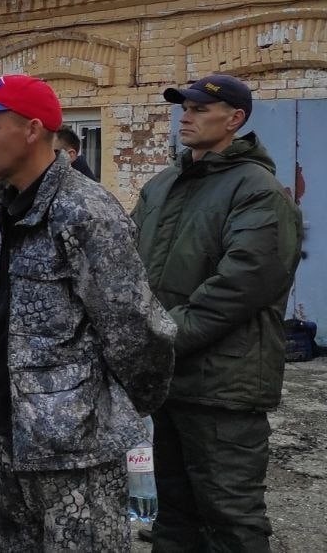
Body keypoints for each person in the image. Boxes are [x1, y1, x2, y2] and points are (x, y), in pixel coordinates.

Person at [0, 73, 176, 550]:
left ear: (32, 130)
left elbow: (135, 329)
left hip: (77, 448)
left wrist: (123, 408)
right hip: (14, 433)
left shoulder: (83, 210)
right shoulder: (10, 204)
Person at [132, 74, 303, 552]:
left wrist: (160, 335)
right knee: (174, 514)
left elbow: (240, 286)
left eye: (199, 109)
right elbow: (129, 268)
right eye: (182, 107)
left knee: (230, 517)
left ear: (235, 119)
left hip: (223, 385)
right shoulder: (162, 185)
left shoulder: (259, 191)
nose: (185, 115)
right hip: (166, 379)